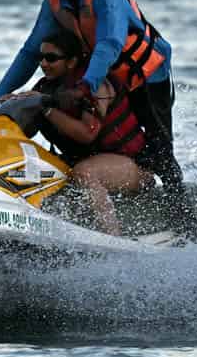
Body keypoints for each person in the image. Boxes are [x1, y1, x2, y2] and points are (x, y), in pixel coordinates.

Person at [0, 0, 197, 242]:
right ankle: (111, 189)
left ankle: (187, 231)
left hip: (147, 79)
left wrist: (85, 85)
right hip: (106, 79)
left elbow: (109, 44)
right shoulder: (53, 1)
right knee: (101, 140)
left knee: (161, 153)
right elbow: (29, 52)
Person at [12, 32, 151, 234]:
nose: (43, 63)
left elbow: (88, 133)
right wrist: (13, 107)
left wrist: (46, 109)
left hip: (131, 166)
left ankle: (114, 238)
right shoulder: (45, 88)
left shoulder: (97, 87)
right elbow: (26, 131)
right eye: (40, 57)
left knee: (84, 172)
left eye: (51, 58)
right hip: (83, 159)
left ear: (71, 62)